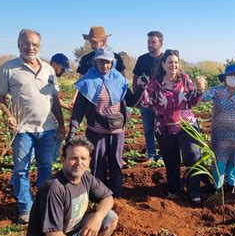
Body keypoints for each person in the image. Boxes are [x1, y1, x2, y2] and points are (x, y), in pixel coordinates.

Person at [0, 29, 65, 223]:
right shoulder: (8, 69)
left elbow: (55, 100)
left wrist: (61, 124)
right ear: (19, 44)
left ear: (40, 46)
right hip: (22, 130)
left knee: (45, 167)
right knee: (20, 170)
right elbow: (0, 100)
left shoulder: (49, 70)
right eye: (26, 43)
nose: (30, 47)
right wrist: (8, 115)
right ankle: (26, 209)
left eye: (34, 44)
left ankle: (43, 205)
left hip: (47, 128)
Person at [26, 135, 118, 236]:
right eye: (74, 158)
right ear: (63, 160)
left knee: (109, 217)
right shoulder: (54, 188)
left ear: (89, 161)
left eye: (83, 158)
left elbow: (108, 198)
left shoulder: (85, 176)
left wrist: (98, 217)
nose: (79, 163)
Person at [68, 47, 142, 198]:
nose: (105, 65)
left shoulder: (119, 80)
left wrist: (141, 87)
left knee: (116, 162)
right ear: (96, 61)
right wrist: (73, 129)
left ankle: (117, 194)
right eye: (101, 61)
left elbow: (131, 101)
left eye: (108, 62)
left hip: (117, 131)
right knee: (97, 163)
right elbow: (79, 109)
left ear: (112, 62)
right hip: (97, 131)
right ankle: (98, 195)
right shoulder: (87, 81)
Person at [140, 49, 206, 206]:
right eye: (170, 62)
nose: (173, 65)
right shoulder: (154, 84)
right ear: (163, 64)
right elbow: (147, 104)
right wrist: (142, 88)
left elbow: (192, 102)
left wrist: (200, 89)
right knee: (171, 161)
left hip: (186, 126)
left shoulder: (184, 79)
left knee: (192, 157)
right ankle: (174, 190)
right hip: (164, 128)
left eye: (176, 62)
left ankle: (194, 191)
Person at [201, 64, 235, 194]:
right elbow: (202, 98)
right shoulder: (217, 91)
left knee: (234, 162)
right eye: (229, 75)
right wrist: (200, 87)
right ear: (224, 78)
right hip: (219, 136)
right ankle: (217, 189)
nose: (232, 78)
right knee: (219, 162)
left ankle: (231, 188)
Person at [70, 26, 126, 107]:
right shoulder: (86, 59)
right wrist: (74, 98)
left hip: (112, 100)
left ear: (104, 41)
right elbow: (81, 80)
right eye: (91, 42)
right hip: (91, 98)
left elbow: (122, 80)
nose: (92, 45)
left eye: (94, 42)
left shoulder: (116, 58)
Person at [132, 31, 164, 165]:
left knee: (162, 129)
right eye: (148, 42)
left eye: (153, 42)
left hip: (163, 102)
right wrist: (136, 96)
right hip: (146, 101)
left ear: (161, 43)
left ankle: (163, 155)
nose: (150, 45)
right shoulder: (142, 59)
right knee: (148, 129)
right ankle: (151, 155)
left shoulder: (165, 59)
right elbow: (135, 78)